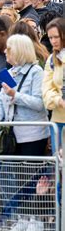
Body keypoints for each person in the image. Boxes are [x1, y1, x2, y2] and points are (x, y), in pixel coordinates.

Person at [0, 34, 50, 224]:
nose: (5, 51)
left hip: (33, 134)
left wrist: (16, 95)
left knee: (31, 181)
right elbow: (0, 99)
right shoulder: (10, 72)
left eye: (9, 48)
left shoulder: (36, 72)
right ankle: (22, 218)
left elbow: (40, 104)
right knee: (19, 179)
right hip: (12, 133)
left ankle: (27, 217)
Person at [42, 18, 65, 150]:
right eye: (50, 37)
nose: (53, 41)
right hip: (58, 121)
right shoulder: (52, 59)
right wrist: (58, 101)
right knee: (60, 167)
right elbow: (46, 90)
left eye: (56, 37)